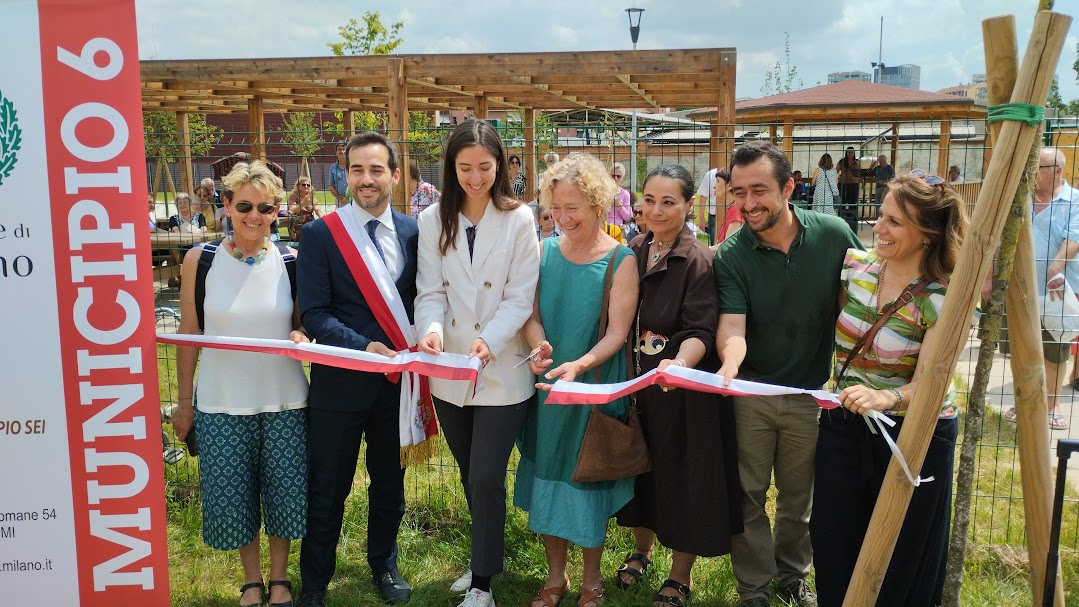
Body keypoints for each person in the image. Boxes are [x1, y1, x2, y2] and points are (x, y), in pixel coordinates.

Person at [714, 140, 862, 607]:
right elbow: (732, 328)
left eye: (759, 190)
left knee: (800, 500)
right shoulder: (730, 255)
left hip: (809, 394)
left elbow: (861, 300)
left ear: (789, 187)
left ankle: (792, 576)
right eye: (738, 192)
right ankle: (754, 590)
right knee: (749, 496)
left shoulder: (835, 235)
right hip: (752, 392)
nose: (748, 203)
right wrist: (730, 364)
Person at [812, 175, 967, 606]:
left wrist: (887, 398)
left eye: (894, 221)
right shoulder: (853, 267)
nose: (878, 226)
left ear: (928, 235)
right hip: (845, 420)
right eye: (880, 215)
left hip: (914, 433)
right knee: (832, 531)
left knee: (903, 544)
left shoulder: (945, 297)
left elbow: (933, 383)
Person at [415, 119, 540, 607]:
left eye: (484, 167)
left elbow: (519, 296)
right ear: (451, 168)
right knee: (471, 474)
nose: (474, 177)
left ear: (501, 165)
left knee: (488, 474)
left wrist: (488, 340)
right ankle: (484, 557)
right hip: (450, 370)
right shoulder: (432, 221)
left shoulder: (519, 219)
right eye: (464, 168)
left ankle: (483, 585)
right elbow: (429, 291)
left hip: (502, 366)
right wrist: (429, 330)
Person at [172, 161, 309, 607]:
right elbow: (189, 333)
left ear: (276, 212)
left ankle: (280, 581)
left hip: (285, 399)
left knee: (286, 494)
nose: (255, 215)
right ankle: (252, 581)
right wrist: (183, 402)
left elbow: (301, 327)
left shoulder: (291, 261)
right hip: (220, 401)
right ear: (226, 205)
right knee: (234, 496)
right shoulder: (201, 260)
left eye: (266, 207)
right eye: (245, 205)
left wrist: (302, 336)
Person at [297, 132, 420, 606]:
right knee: (329, 485)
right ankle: (314, 581)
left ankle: (384, 565)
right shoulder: (320, 234)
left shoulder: (413, 232)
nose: (366, 180)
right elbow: (314, 313)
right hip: (340, 383)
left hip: (396, 386)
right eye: (356, 170)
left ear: (393, 174)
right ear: (344, 175)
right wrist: (364, 346)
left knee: (390, 481)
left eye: (375, 170)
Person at [614, 164, 742, 607]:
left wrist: (677, 366)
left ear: (690, 206)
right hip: (638, 384)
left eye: (669, 201)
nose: (657, 209)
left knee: (683, 474)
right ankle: (641, 550)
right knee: (640, 467)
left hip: (682, 390)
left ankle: (680, 574)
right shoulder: (631, 251)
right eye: (649, 199)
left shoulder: (700, 260)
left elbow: (702, 330)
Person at [515, 152, 639, 607]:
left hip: (592, 391)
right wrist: (538, 345)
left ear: (598, 204)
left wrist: (579, 367)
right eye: (556, 208)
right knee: (550, 479)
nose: (563, 218)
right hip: (549, 389)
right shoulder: (543, 250)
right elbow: (529, 315)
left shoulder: (620, 260)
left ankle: (591, 580)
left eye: (574, 208)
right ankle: (555, 578)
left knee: (584, 483)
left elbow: (618, 334)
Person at [1004, 147, 1079, 431]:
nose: (1031, 174)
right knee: (1023, 348)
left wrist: (1055, 268)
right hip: (1021, 290)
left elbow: (1074, 237)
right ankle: (1022, 400)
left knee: (1056, 350)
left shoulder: (1074, 201)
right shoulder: (1021, 198)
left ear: (1057, 171)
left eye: (1037, 169)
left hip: (1057, 292)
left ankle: (1051, 405)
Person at [288, 176, 324, 242]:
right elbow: (292, 210)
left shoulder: (311, 196)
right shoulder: (293, 196)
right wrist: (303, 203)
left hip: (310, 223)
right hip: (297, 224)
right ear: (298, 186)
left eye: (308, 185)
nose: (306, 186)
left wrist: (323, 218)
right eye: (303, 185)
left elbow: (317, 209)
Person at [836, 146, 861, 233]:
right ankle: (840, 221)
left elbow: (860, 173)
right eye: (848, 152)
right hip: (843, 184)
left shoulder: (857, 162)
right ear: (846, 153)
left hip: (853, 184)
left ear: (854, 153)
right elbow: (836, 170)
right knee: (842, 202)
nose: (850, 154)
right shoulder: (842, 162)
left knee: (852, 203)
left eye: (852, 152)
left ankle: (852, 222)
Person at [716, 167, 743, 244]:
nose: (714, 186)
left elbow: (727, 244)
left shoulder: (736, 209)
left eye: (718, 181)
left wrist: (706, 250)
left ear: (729, 185)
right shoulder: (731, 207)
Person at [695, 167, 719, 244]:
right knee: (714, 244)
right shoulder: (710, 175)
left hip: (733, 215)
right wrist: (701, 219)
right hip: (714, 217)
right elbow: (703, 198)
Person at [608, 162, 635, 227]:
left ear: (622, 179)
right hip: (603, 227)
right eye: (613, 176)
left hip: (618, 228)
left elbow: (628, 218)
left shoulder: (625, 194)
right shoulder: (602, 191)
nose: (615, 178)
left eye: (618, 176)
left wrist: (618, 205)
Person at [328, 143, 349, 207]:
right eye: (339, 150)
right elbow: (331, 186)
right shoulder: (333, 168)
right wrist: (339, 198)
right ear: (336, 152)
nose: (342, 152)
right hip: (340, 201)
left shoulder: (353, 166)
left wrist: (348, 197)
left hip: (353, 199)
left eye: (343, 149)